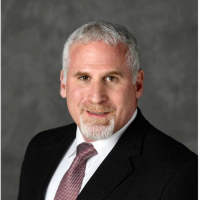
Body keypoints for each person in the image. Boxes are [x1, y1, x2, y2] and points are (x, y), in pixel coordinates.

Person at [17, 20, 197, 200]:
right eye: (84, 77)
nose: (96, 96)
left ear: (138, 85)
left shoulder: (179, 173)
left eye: (111, 78)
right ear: (64, 83)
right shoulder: (40, 148)